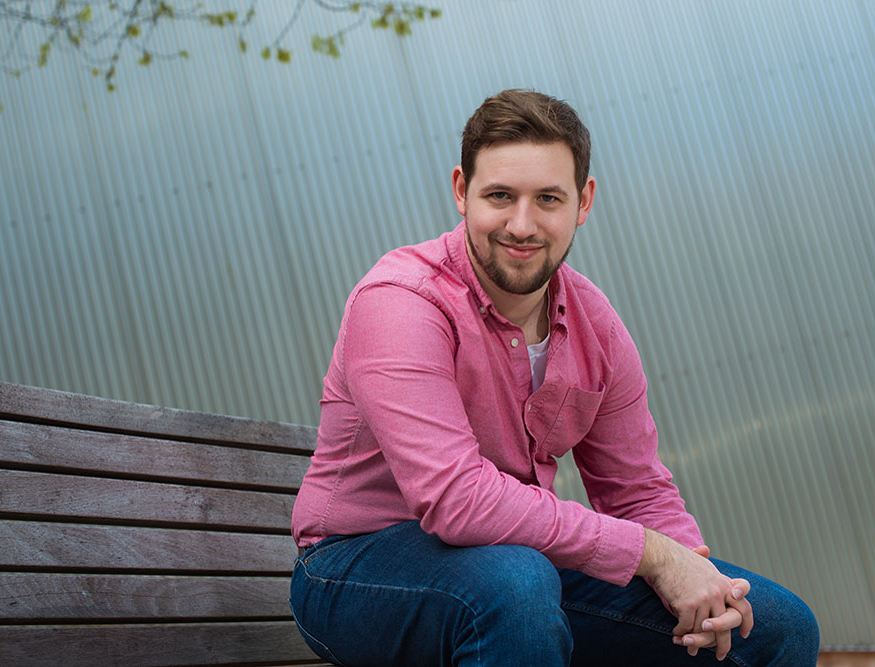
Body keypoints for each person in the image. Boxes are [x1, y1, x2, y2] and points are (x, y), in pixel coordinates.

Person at [289, 89, 819, 665]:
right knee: (515, 588)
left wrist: (695, 571)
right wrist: (653, 555)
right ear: (462, 192)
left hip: (518, 562)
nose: (522, 224)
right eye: (500, 196)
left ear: (583, 201)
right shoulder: (400, 303)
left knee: (775, 626)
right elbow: (455, 499)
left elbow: (635, 488)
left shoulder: (596, 325)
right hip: (355, 568)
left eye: (547, 198)